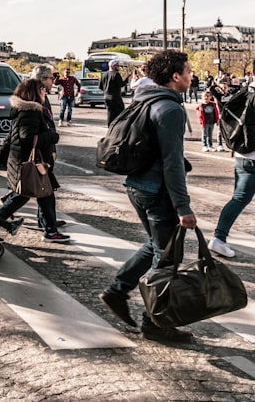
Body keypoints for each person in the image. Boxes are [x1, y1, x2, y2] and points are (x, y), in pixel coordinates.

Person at [99, 49, 197, 342]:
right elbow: (172, 162)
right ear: (175, 75)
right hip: (156, 190)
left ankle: (118, 291)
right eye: (189, 71)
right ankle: (154, 323)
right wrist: (183, 207)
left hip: (137, 185)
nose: (192, 76)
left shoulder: (146, 99)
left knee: (158, 246)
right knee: (167, 258)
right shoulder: (169, 109)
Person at [0, 78, 68, 242]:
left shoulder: (21, 109)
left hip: (23, 162)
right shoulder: (31, 111)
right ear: (34, 92)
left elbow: (10, 138)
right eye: (42, 90)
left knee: (45, 195)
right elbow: (27, 138)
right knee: (22, 196)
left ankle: (50, 230)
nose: (44, 93)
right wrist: (52, 136)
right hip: (29, 164)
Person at [208, 80, 255, 258]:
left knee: (238, 199)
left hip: (242, 155)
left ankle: (219, 239)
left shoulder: (244, 91)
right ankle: (219, 239)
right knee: (239, 199)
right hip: (252, 157)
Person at [100, 60, 126, 125]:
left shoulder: (104, 75)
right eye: (117, 65)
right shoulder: (116, 74)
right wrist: (127, 79)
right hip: (115, 97)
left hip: (106, 97)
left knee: (110, 113)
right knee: (121, 113)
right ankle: (119, 127)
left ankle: (110, 128)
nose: (118, 67)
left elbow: (100, 86)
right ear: (112, 66)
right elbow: (121, 84)